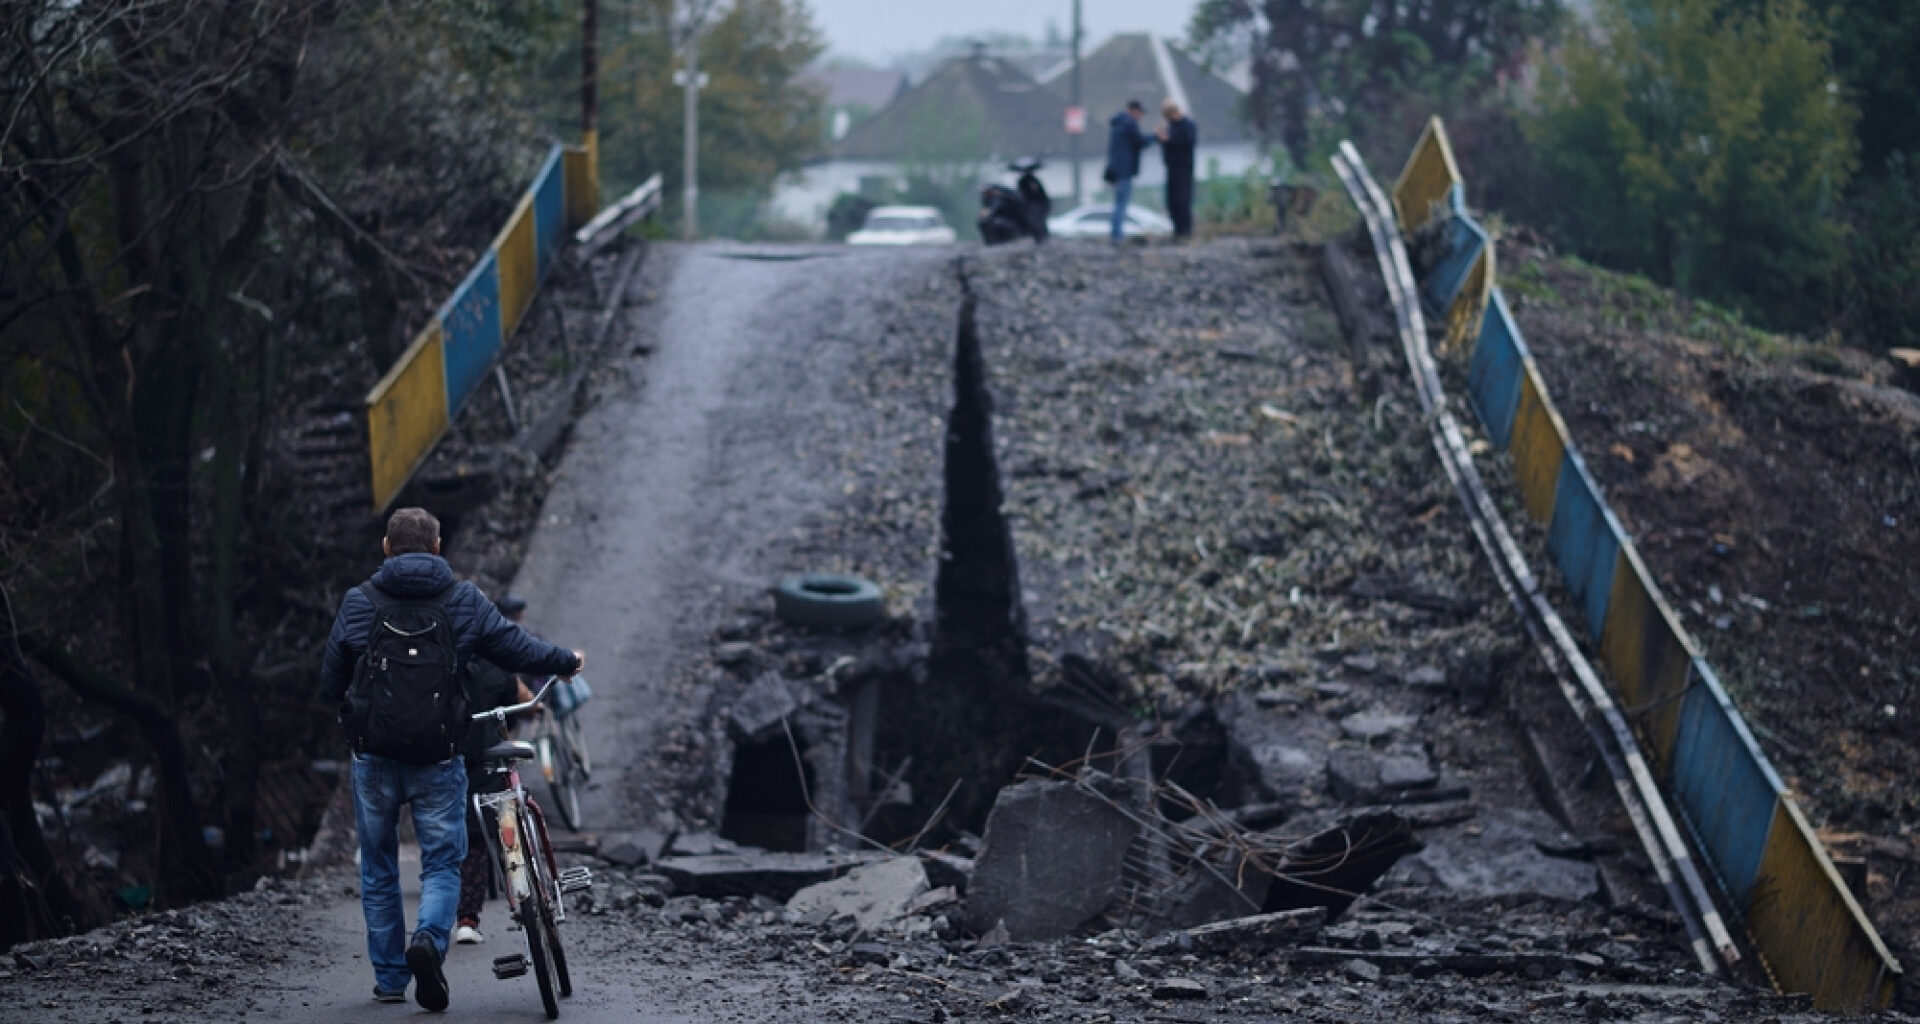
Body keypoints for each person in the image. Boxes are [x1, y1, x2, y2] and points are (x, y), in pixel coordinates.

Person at [321, 510, 584, 1011]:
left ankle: (392, 980)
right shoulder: (462, 600)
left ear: (385, 547)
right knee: (443, 861)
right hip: (439, 757)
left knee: (378, 868)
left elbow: (330, 681)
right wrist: (565, 662)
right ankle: (429, 942)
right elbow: (514, 646)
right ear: (438, 547)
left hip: (374, 758)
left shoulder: (360, 602)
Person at [453, 594, 536, 946]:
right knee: (506, 813)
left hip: (452, 758)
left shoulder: (445, 662)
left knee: (470, 839)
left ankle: (467, 919)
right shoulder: (499, 666)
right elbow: (521, 702)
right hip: (490, 754)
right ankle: (524, 897)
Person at [1103, 100, 1154, 243]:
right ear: (1133, 110)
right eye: (1140, 112)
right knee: (1121, 204)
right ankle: (1117, 236)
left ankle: (1116, 234)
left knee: (1118, 203)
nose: (1141, 116)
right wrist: (1155, 137)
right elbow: (1140, 141)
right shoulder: (1128, 124)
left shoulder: (1118, 124)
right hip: (1123, 171)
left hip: (1117, 170)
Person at [1156, 99, 1198, 239]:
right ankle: (1177, 230)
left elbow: (1188, 143)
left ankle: (1185, 231)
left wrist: (1168, 140)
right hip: (1171, 167)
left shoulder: (1188, 125)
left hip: (1183, 167)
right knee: (1172, 201)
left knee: (1182, 199)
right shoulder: (1171, 127)